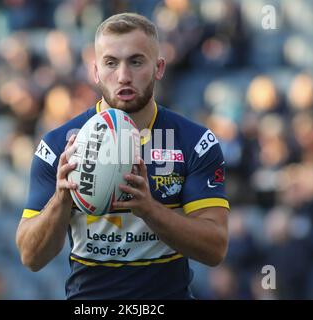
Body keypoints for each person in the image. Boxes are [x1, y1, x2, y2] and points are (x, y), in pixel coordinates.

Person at [16, 13, 230, 299]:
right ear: (95, 71)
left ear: (159, 67)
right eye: (111, 63)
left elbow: (215, 249)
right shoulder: (59, 146)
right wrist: (62, 199)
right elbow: (31, 257)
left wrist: (148, 209)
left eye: (136, 61)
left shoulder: (194, 142)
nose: (123, 76)